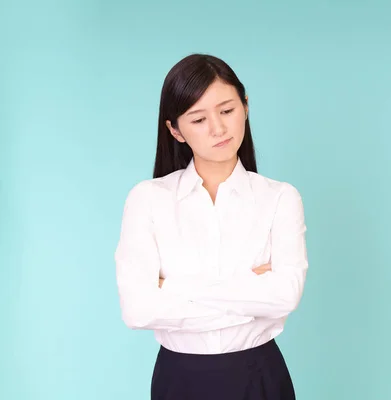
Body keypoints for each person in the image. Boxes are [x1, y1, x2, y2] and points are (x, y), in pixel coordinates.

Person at [114, 53, 308, 399]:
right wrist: (249, 291)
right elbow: (138, 309)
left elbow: (284, 297)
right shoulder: (148, 199)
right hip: (180, 379)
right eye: (198, 118)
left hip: (259, 376)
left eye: (227, 110)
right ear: (175, 129)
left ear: (245, 106)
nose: (218, 128)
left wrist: (172, 287)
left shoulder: (280, 198)